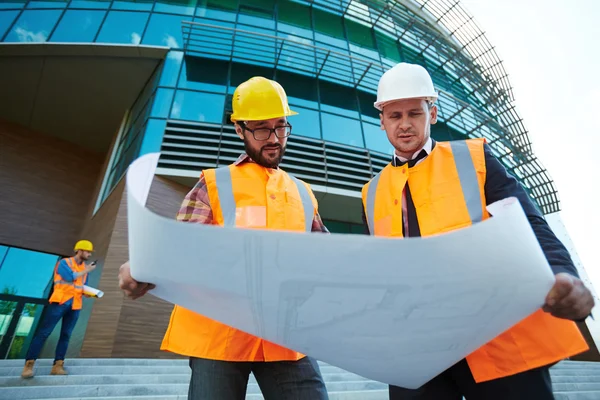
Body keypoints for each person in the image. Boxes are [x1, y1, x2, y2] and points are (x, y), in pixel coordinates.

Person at [362, 62, 595, 400]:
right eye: (395, 116)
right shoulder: (371, 192)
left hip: (495, 336)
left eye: (415, 113)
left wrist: (564, 273)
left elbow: (530, 226)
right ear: (382, 120)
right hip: (417, 350)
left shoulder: (474, 158)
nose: (405, 124)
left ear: (434, 113)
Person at [118, 76, 329, 400]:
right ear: (239, 129)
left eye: (280, 126)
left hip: (285, 335)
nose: (273, 138)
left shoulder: (303, 193)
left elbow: (329, 258)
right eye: (260, 128)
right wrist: (143, 266)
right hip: (219, 334)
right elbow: (178, 245)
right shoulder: (215, 184)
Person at [21, 240, 97, 379]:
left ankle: (58, 366)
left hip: (75, 305)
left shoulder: (85, 270)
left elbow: (82, 285)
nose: (89, 254)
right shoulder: (64, 263)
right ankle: (29, 365)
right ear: (79, 250)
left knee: (66, 335)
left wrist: (90, 293)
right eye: (87, 251)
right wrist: (87, 270)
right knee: (44, 333)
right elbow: (69, 278)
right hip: (60, 302)